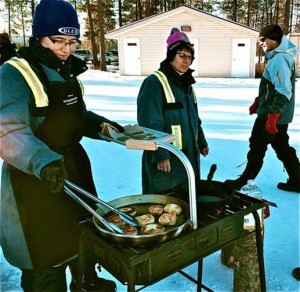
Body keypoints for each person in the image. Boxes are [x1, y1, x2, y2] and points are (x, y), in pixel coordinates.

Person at [0, 0, 123, 291]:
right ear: (39, 37)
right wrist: (43, 161)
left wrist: (99, 126)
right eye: (58, 41)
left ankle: (86, 282)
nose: (66, 49)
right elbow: (7, 130)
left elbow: (74, 116)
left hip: (72, 168)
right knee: (46, 258)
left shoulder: (66, 71)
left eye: (71, 41)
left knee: (82, 235)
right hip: (32, 179)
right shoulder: (13, 74)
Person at [225, 24, 299, 193]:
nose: (261, 43)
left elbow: (284, 91)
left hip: (272, 116)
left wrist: (271, 116)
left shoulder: (279, 59)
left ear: (274, 39)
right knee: (282, 147)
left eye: (263, 39)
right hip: (279, 115)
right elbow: (273, 88)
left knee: (257, 146)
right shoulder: (280, 57)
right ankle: (297, 179)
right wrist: (259, 101)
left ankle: (245, 181)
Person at [137, 27, 209, 194]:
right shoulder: (155, 82)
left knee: (187, 200)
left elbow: (194, 118)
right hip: (166, 160)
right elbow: (149, 123)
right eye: (181, 56)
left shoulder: (187, 84)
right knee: (163, 205)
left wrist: (201, 142)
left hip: (188, 156)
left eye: (190, 57)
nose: (186, 61)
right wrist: (160, 154)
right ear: (171, 56)